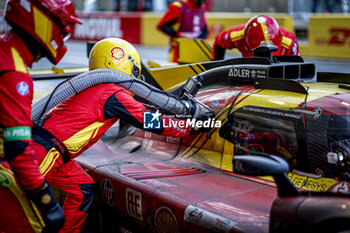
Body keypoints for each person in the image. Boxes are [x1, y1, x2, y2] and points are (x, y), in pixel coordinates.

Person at [31, 38, 213, 233]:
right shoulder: (111, 92)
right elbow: (150, 121)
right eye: (135, 70)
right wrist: (193, 126)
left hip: (52, 150)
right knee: (20, 207)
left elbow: (144, 110)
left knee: (83, 189)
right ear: (122, 64)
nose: (136, 77)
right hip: (44, 151)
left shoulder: (98, 89)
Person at [0, 0, 81, 232]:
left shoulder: (4, 49)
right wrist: (45, 198)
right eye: (63, 26)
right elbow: (17, 148)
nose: (64, 35)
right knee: (41, 225)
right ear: (43, 20)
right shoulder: (15, 74)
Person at [212, 15, 299, 60]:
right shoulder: (238, 34)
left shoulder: (290, 43)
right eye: (260, 53)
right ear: (246, 41)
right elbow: (219, 42)